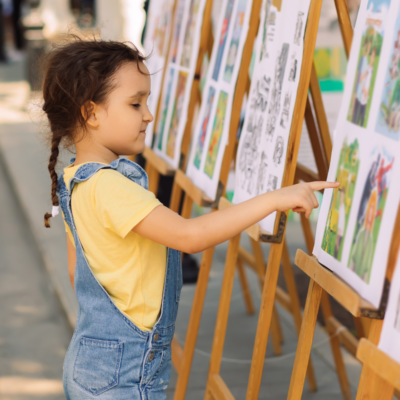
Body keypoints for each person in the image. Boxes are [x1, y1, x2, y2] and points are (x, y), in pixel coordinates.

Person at [41, 37, 338, 400]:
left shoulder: (75, 179)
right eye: (136, 103)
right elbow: (189, 236)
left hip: (89, 364)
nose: (148, 114)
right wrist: (275, 198)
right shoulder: (109, 187)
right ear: (91, 113)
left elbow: (79, 273)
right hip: (123, 376)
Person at [349, 190, 377, 282]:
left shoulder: (370, 240)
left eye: (371, 215)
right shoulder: (361, 234)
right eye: (368, 214)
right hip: (351, 279)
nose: (369, 218)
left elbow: (366, 269)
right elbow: (353, 259)